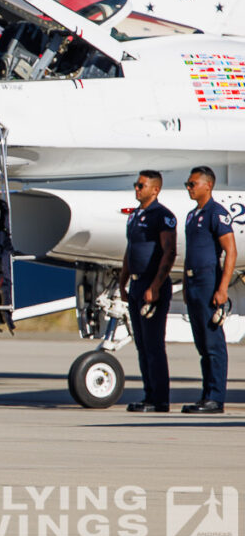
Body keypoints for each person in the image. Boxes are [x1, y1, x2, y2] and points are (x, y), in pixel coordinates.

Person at [118, 170, 176, 413]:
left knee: (153, 345)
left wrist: (155, 286)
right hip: (136, 285)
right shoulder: (135, 216)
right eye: (136, 184)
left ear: (155, 189)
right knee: (141, 345)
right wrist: (122, 283)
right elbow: (130, 251)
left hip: (153, 286)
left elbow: (169, 252)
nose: (137, 189)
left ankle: (160, 399)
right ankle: (148, 395)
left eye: (141, 185)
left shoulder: (161, 216)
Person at [181, 166, 237, 414]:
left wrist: (222, 287)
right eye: (188, 184)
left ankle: (216, 398)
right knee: (202, 344)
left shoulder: (217, 213)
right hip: (193, 283)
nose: (189, 188)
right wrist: (184, 284)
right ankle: (207, 396)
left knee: (213, 343)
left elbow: (231, 251)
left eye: (193, 184)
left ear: (208, 185)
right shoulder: (192, 215)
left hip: (208, 283)